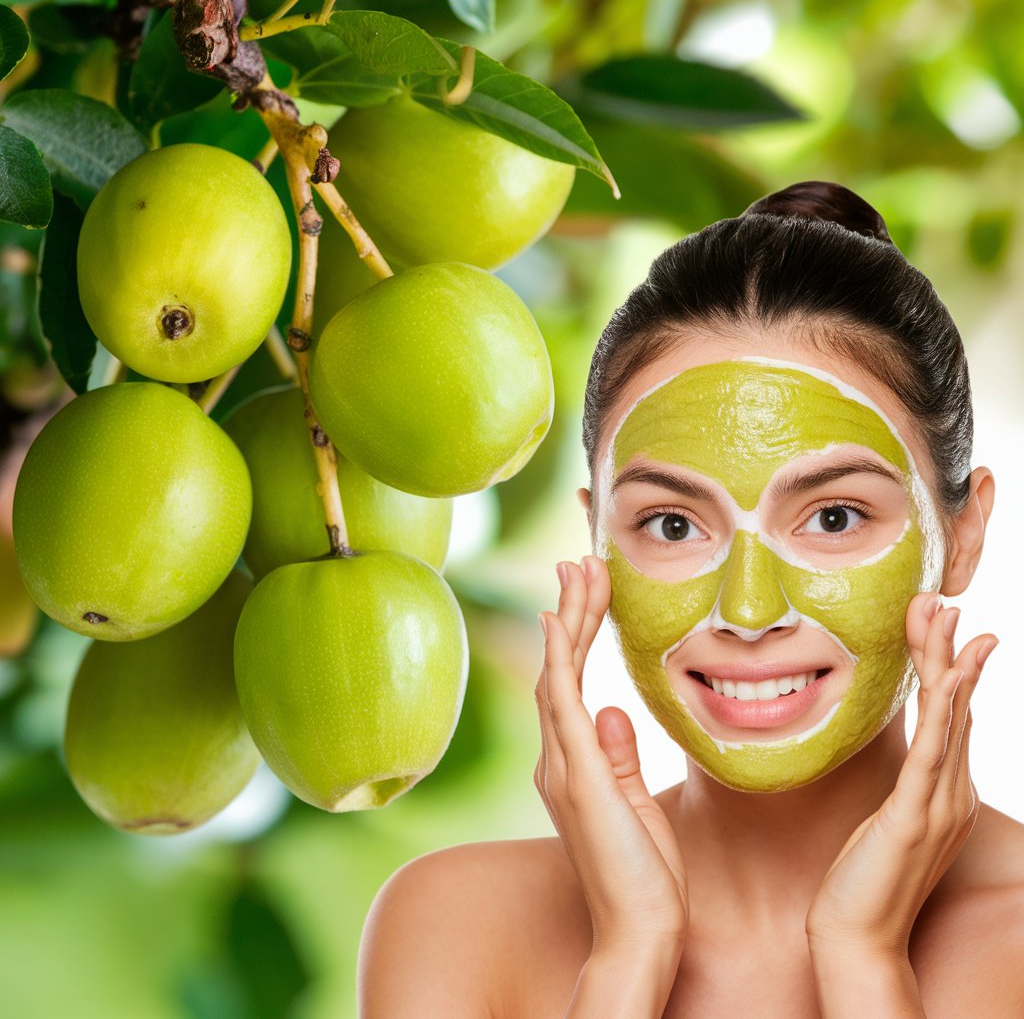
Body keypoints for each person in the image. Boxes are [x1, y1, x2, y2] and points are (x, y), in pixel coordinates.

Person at [357, 182, 1024, 1017]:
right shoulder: (458, 927)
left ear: (962, 537)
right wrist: (631, 953)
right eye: (672, 525)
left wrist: (863, 957)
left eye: (832, 516)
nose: (747, 612)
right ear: (597, 543)